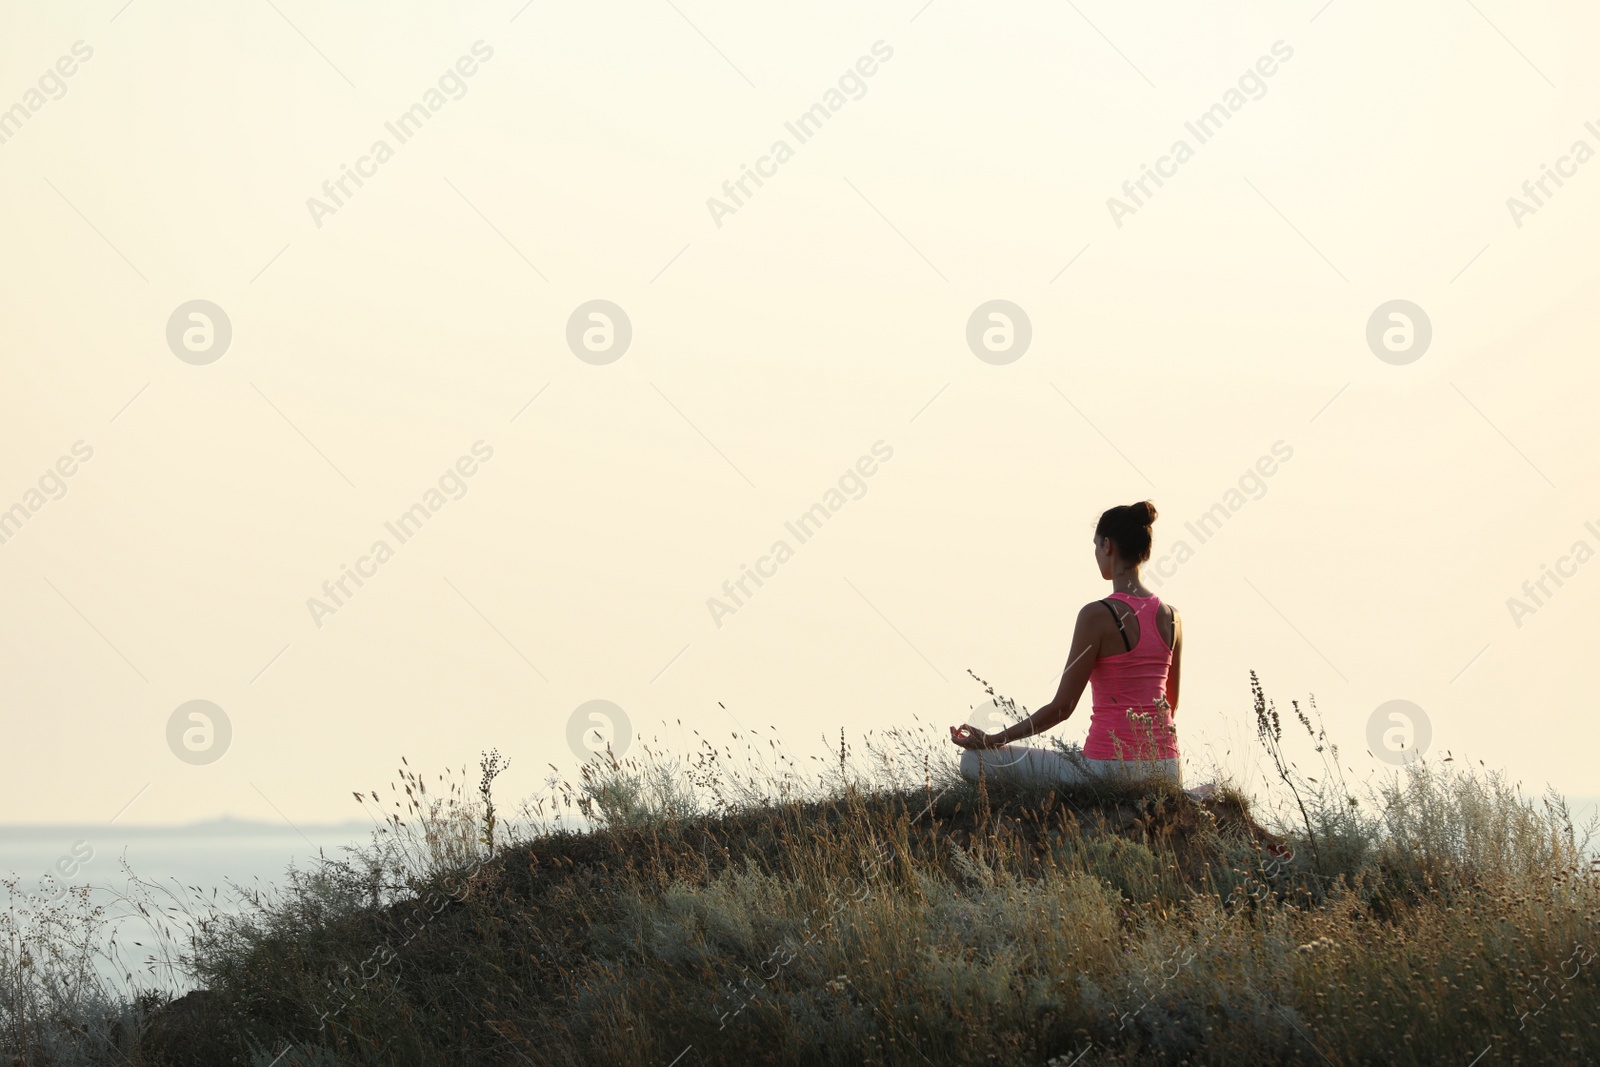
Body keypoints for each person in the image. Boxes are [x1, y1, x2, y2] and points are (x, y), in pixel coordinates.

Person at [950, 501, 1182, 789]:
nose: (1096, 554)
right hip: (1169, 769)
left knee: (974, 762)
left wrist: (993, 739)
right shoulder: (1172, 618)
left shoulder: (1097, 615)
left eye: (1096, 546)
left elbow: (1063, 707)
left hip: (1109, 770)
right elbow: (1169, 705)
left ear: (1107, 545)